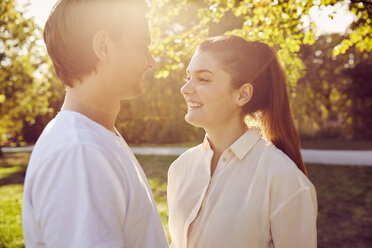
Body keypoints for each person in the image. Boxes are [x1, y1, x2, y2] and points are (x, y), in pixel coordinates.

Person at [22, 0, 169, 247]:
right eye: (143, 46)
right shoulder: (79, 153)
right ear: (103, 47)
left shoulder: (97, 137)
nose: (151, 61)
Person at [167, 35, 317, 248]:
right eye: (188, 77)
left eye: (203, 79)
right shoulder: (180, 168)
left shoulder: (284, 180)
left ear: (243, 94)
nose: (186, 89)